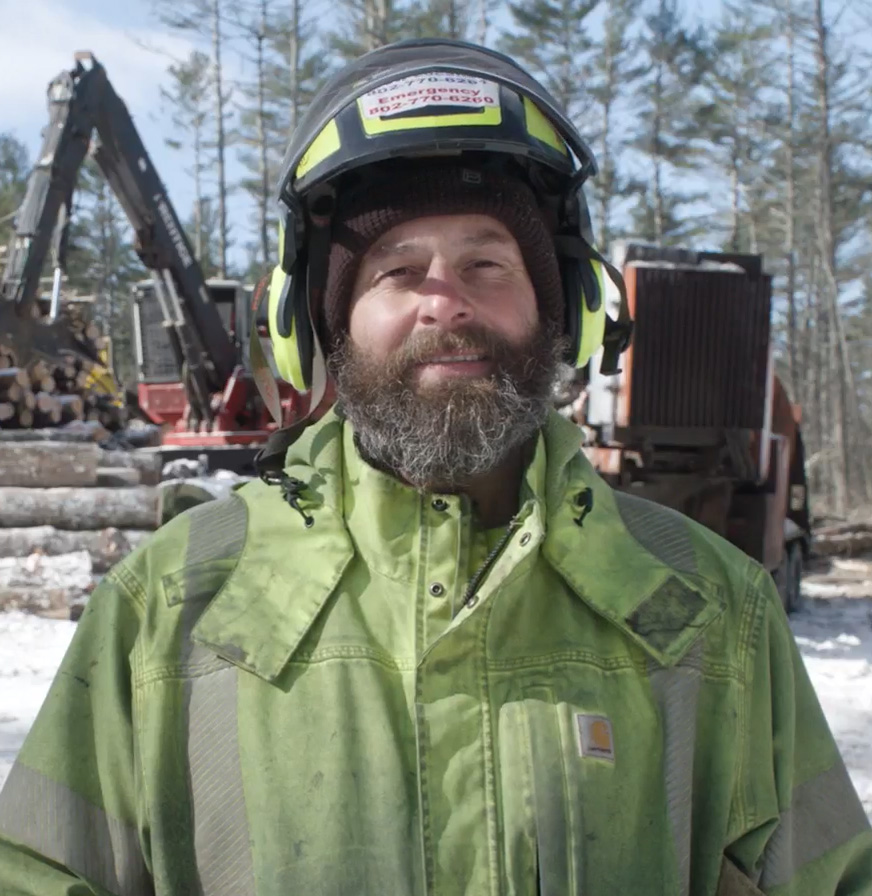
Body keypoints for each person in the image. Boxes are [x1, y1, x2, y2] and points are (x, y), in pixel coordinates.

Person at [0, 38, 869, 896]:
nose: (444, 301)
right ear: (315, 327)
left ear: (571, 311)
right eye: (397, 269)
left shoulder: (716, 616)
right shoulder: (169, 608)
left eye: (487, 263)